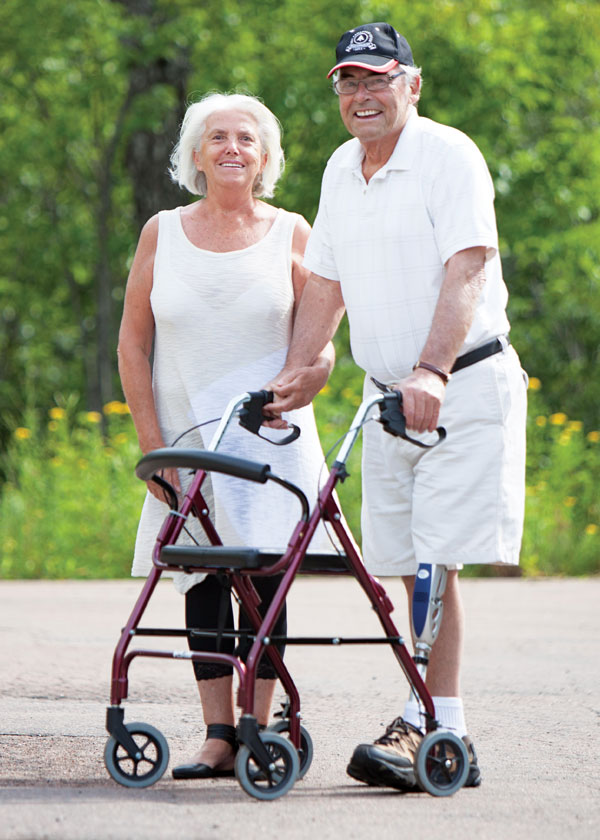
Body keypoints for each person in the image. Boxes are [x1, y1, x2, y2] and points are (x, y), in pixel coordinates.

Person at [267, 22, 527, 791]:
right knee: (398, 565)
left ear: (411, 85)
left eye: (377, 79)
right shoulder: (342, 169)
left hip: (458, 383)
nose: (361, 94)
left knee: (431, 559)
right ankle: (437, 724)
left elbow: (469, 267)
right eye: (348, 81)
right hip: (388, 396)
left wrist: (431, 370)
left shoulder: (448, 155)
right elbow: (325, 283)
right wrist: (299, 370)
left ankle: (437, 728)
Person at [117, 92, 336, 780]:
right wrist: (153, 445)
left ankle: (258, 726)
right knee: (202, 583)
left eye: (246, 137)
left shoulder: (293, 231)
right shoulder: (163, 231)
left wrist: (312, 376)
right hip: (185, 438)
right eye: (217, 137)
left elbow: (321, 340)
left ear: (265, 157)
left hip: (269, 441)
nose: (232, 147)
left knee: (265, 586)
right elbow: (132, 341)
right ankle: (217, 736)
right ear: (195, 155)